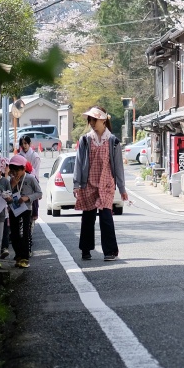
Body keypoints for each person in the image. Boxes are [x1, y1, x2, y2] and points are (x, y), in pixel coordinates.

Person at [74, 106, 128, 261]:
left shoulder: (113, 141)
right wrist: (77, 184)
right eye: (90, 119)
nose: (91, 122)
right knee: (88, 217)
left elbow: (118, 167)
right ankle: (86, 249)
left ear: (103, 120)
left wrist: (122, 188)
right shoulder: (85, 140)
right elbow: (79, 163)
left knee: (106, 217)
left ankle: (110, 251)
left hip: (106, 184)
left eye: (94, 119)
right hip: (89, 184)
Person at [7, 154, 41, 269]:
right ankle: (18, 256)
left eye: (18, 170)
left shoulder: (30, 178)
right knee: (15, 234)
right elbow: (5, 193)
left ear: (23, 169)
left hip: (26, 209)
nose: (15, 173)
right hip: (13, 209)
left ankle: (25, 258)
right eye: (13, 171)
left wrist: (28, 198)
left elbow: (39, 193)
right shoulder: (10, 180)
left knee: (24, 233)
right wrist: (12, 185)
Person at [19, 135, 43, 222]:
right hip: (20, 178)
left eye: (25, 143)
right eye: (22, 144)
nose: (24, 145)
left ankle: (35, 213)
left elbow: (36, 171)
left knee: (35, 195)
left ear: (29, 144)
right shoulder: (19, 155)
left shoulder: (35, 156)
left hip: (32, 177)